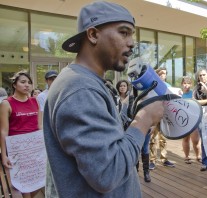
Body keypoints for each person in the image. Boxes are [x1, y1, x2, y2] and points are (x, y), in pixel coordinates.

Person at [43, 1, 164, 197]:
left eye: (131, 34)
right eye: (124, 32)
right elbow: (108, 172)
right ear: (93, 35)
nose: (132, 42)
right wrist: (144, 120)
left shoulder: (87, 82)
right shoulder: (79, 88)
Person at [0, 71, 42, 198]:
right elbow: (3, 131)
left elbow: (39, 126)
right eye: (23, 82)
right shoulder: (6, 103)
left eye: (29, 83)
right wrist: (4, 155)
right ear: (14, 84)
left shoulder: (35, 101)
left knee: (39, 182)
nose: (27, 85)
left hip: (35, 149)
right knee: (23, 185)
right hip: (17, 150)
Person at [149, 66, 175, 169]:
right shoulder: (152, 85)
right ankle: (152, 160)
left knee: (163, 138)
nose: (162, 75)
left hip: (164, 115)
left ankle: (164, 159)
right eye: (160, 73)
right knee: (153, 138)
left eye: (164, 73)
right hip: (154, 114)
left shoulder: (168, 86)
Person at [180, 76, 201, 164]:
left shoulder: (194, 93)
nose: (186, 85)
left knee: (195, 140)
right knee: (185, 139)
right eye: (184, 83)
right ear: (182, 84)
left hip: (193, 119)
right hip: (183, 119)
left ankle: (198, 156)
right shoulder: (179, 94)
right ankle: (187, 156)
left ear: (191, 84)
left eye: (188, 83)